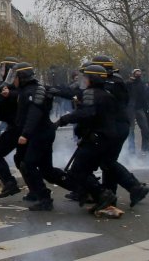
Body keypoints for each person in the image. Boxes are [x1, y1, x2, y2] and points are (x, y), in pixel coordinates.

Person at [55, 65, 119, 216]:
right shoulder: (106, 93)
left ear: (93, 79)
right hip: (107, 138)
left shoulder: (91, 93)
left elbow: (86, 113)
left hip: (96, 138)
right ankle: (100, 198)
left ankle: (103, 194)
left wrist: (63, 120)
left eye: (86, 77)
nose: (84, 80)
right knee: (86, 169)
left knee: (78, 170)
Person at [92, 56, 149, 208]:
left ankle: (134, 187)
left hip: (116, 126)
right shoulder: (114, 81)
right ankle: (110, 194)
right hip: (117, 126)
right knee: (108, 162)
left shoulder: (112, 83)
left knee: (107, 161)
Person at [11, 62, 66, 211]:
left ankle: (44, 197)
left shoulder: (32, 92)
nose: (13, 80)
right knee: (46, 170)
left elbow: (34, 114)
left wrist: (25, 134)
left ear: (21, 77)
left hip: (40, 134)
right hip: (41, 133)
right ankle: (83, 188)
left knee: (28, 164)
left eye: (14, 77)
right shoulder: (27, 90)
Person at [0, 57, 27, 200]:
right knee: (22, 160)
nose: (1, 71)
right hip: (16, 127)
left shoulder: (14, 86)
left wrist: (6, 95)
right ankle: (37, 191)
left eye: (3, 68)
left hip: (18, 128)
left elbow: (22, 96)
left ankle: (10, 183)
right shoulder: (6, 85)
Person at [127, 68, 149, 153]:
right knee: (131, 130)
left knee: (146, 129)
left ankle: (145, 147)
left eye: (139, 74)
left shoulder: (142, 84)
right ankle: (131, 149)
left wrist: (147, 108)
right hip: (130, 109)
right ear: (133, 74)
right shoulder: (129, 83)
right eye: (136, 73)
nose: (138, 75)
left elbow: (144, 97)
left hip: (140, 108)